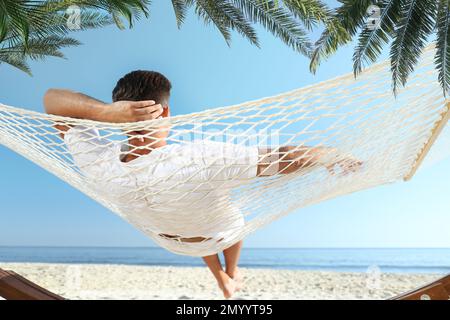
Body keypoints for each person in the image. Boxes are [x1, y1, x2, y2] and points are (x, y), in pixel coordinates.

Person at [44, 70, 361, 298]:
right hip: (215, 231)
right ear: (166, 111)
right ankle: (232, 274)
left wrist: (103, 113)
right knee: (228, 215)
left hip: (171, 238)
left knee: (190, 209)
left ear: (120, 112)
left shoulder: (100, 163)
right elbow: (283, 157)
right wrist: (330, 155)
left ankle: (224, 279)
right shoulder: (200, 158)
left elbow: (51, 100)